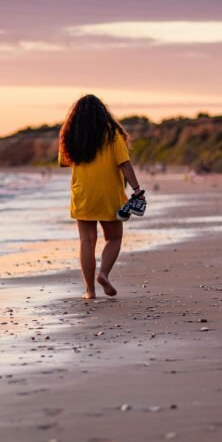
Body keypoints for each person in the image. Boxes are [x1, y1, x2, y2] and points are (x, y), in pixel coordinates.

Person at [58, 94, 144, 300]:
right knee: (113, 238)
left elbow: (64, 162)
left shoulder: (69, 135)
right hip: (109, 194)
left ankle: (90, 291)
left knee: (87, 241)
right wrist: (137, 189)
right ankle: (103, 274)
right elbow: (124, 163)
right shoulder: (112, 134)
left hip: (83, 193)